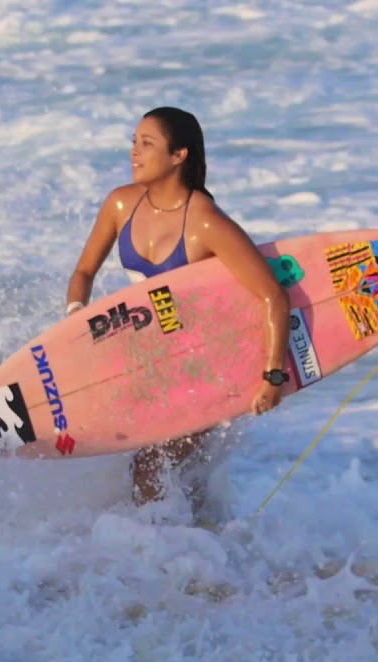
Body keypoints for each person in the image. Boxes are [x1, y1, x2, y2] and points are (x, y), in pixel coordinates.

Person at [65, 107, 291, 512]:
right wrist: (75, 318)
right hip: (153, 358)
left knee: (150, 466)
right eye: (133, 142)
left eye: (147, 144)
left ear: (178, 155)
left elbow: (272, 294)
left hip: (208, 362)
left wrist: (273, 375)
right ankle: (205, 554)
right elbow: (84, 271)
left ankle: (163, 560)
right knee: (179, 472)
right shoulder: (121, 205)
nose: (135, 152)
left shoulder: (204, 222)